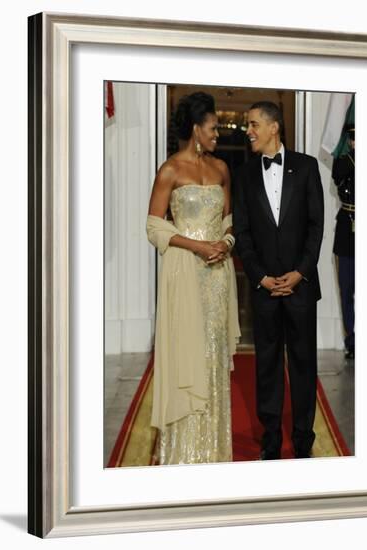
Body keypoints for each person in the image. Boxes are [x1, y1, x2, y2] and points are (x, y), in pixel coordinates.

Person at [146, 92, 240, 465]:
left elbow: (230, 220)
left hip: (218, 277)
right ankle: (183, 453)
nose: (219, 134)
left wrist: (226, 243)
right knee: (187, 352)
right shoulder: (170, 170)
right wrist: (197, 247)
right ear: (196, 128)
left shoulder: (221, 169)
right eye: (214, 128)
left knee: (213, 354)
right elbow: (154, 226)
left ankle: (213, 450)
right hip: (184, 273)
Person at [233, 101, 324, 460]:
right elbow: (242, 232)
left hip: (300, 287)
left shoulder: (306, 167)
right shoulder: (244, 174)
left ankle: (303, 440)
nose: (249, 131)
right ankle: (270, 439)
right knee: (267, 366)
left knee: (303, 365)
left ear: (274, 127)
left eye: (253, 124)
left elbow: (316, 226)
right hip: (265, 290)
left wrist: (300, 273)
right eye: (247, 124)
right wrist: (261, 277)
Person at [332, 124, 355, 360]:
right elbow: (338, 174)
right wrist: (355, 155)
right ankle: (352, 340)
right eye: (353, 138)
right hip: (347, 229)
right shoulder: (344, 161)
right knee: (346, 288)